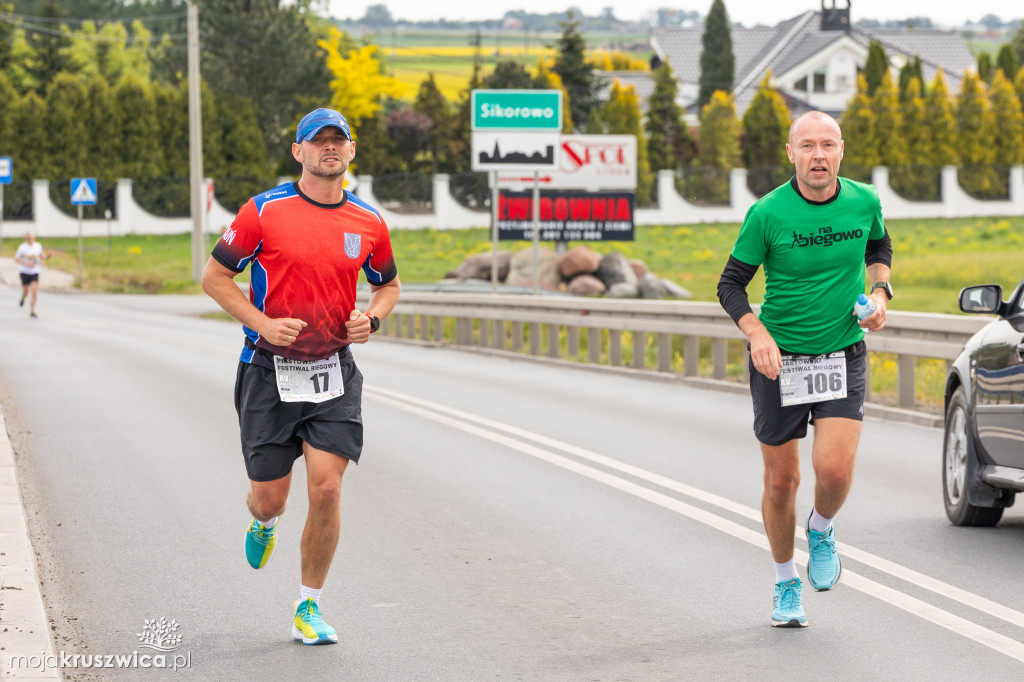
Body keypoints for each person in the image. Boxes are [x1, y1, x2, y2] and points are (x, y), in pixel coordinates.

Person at [202, 107, 401, 645]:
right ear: (299, 152)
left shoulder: (368, 222)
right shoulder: (263, 211)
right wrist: (262, 322)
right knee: (270, 497)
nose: (329, 148)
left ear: (352, 151)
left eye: (339, 140)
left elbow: (388, 284)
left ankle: (307, 607)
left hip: (333, 370)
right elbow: (215, 276)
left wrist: (372, 318)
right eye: (318, 141)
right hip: (268, 370)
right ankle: (263, 523)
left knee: (329, 490)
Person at [716, 111, 892, 628]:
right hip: (780, 361)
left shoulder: (864, 200)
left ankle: (821, 529)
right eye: (808, 146)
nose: (819, 155)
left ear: (841, 150)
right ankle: (785, 583)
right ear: (790, 153)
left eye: (828, 145)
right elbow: (730, 285)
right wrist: (758, 334)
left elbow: (878, 245)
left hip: (842, 352)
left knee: (833, 471)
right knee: (781, 482)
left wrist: (880, 291)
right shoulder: (768, 213)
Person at [14, 232, 51, 318]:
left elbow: (41, 256)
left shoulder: (38, 246)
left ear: (33, 238)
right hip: (24, 272)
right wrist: (26, 263)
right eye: (27, 238)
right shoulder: (22, 247)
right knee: (26, 292)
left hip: (35, 272)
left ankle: (32, 310)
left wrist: (47, 257)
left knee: (34, 292)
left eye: (30, 238)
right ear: (25, 239)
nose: (29, 239)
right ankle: (23, 298)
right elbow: (16, 259)